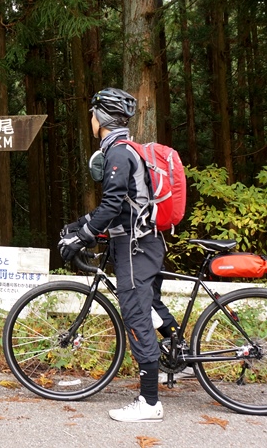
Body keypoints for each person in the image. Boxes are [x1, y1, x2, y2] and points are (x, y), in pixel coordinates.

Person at [58, 87, 183, 423]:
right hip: (146, 242)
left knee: (136, 314)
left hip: (134, 247)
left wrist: (81, 238)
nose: (90, 120)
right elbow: (119, 207)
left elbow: (113, 205)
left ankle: (150, 402)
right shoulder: (126, 150)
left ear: (101, 117)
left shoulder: (117, 153)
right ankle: (177, 348)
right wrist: (79, 225)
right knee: (151, 304)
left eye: (92, 114)